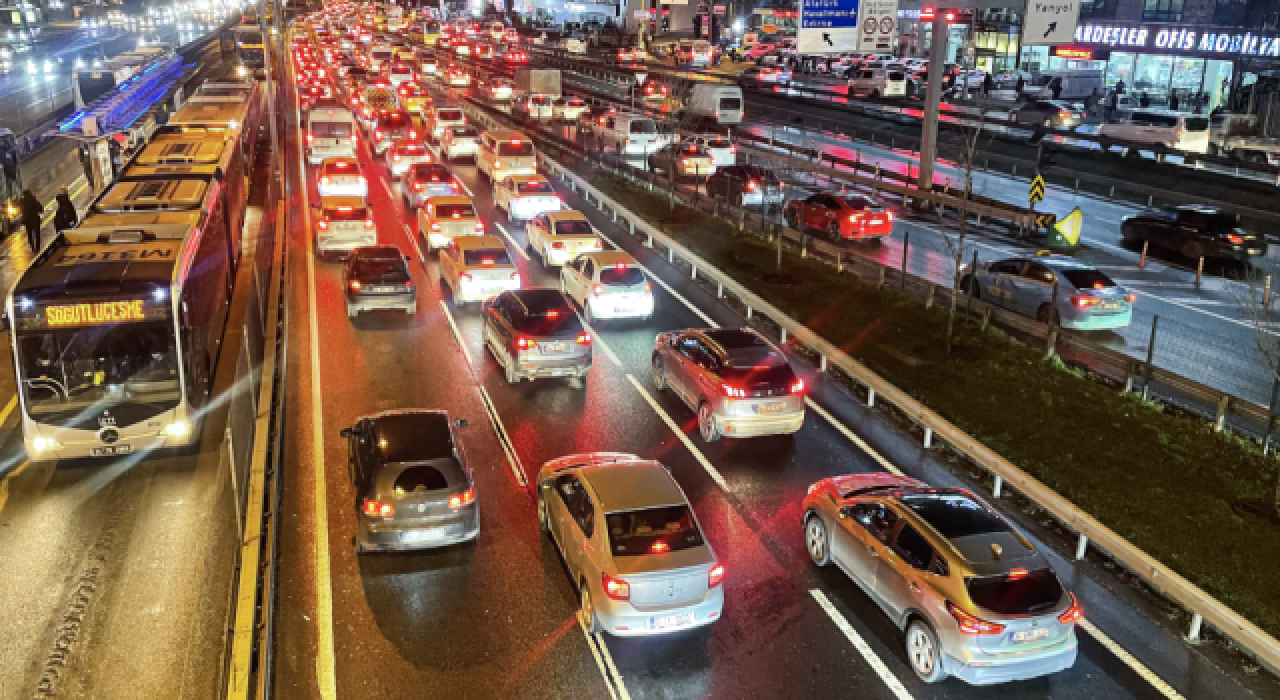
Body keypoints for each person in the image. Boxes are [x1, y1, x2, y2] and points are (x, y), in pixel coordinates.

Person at [19, 189, 42, 253]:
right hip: (35, 219)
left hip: (27, 221)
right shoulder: (33, 200)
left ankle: (32, 247)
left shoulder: (22, 202)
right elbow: (40, 208)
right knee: (37, 234)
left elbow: (21, 212)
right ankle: (37, 248)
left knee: (30, 234)